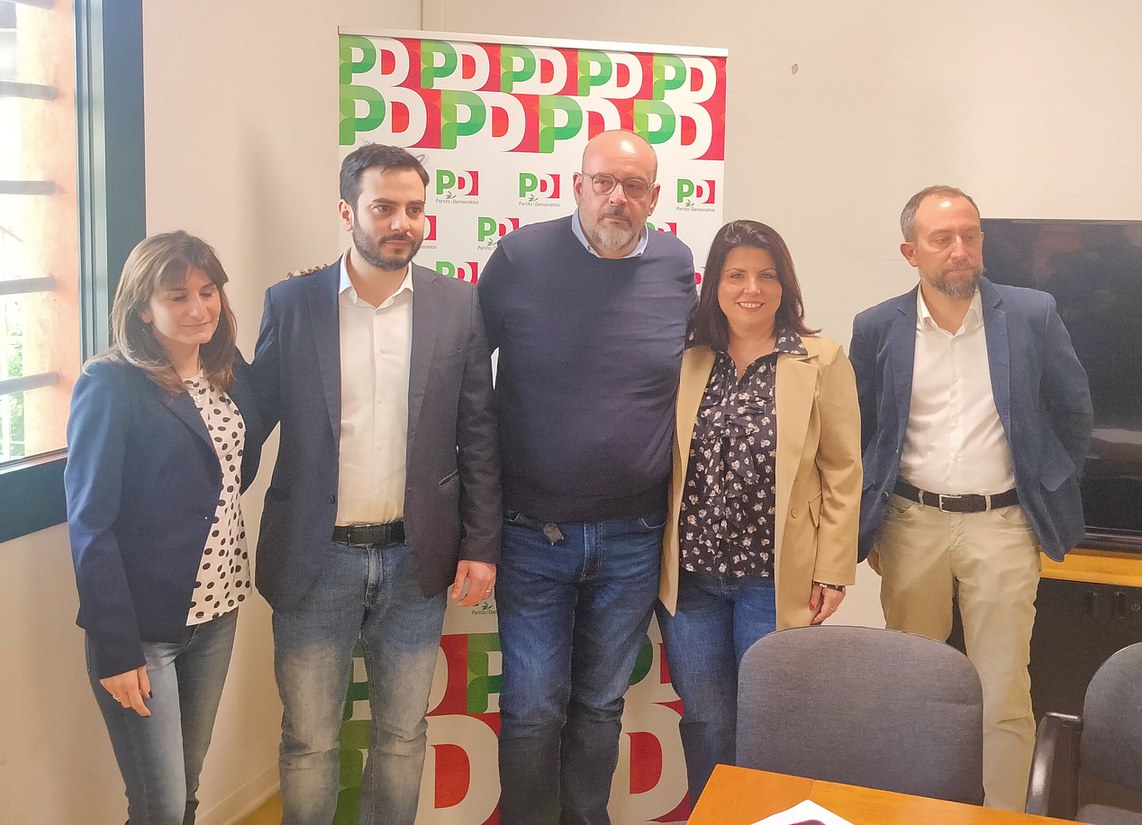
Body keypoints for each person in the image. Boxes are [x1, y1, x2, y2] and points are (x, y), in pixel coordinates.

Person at [251, 143, 500, 825]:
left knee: (402, 736)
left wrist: (481, 544)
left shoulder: (457, 305)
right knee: (309, 740)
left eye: (415, 209)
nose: (402, 223)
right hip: (315, 558)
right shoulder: (293, 303)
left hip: (416, 560)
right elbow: (249, 416)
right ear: (346, 212)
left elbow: (478, 432)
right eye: (384, 207)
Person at [478, 129, 697, 825]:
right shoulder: (520, 257)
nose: (616, 198)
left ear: (654, 197)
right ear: (577, 185)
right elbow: (460, 365)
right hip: (531, 533)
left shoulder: (676, 263)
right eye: (603, 182)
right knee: (533, 707)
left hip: (636, 534)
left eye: (633, 186)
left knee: (601, 704)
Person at [850, 185, 1093, 810]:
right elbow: (864, 430)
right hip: (911, 525)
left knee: (1003, 689)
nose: (960, 249)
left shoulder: (1032, 314)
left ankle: (1003, 816)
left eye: (970, 235)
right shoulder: (878, 326)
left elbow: (1073, 410)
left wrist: (1045, 490)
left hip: (1003, 525)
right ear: (911, 252)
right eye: (942, 239)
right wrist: (872, 521)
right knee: (915, 682)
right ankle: (915, 810)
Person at [656, 219, 862, 802]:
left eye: (767, 276)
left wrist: (832, 571)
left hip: (773, 581)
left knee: (771, 721)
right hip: (692, 580)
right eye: (737, 275)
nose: (752, 289)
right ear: (715, 286)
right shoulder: (688, 357)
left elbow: (843, 470)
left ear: (785, 285)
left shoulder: (821, 359)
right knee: (706, 718)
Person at [64, 231, 262, 824]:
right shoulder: (111, 383)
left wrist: (305, 294)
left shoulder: (227, 370)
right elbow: (91, 523)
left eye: (209, 291)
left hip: (219, 611)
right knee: (162, 807)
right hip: (145, 630)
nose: (199, 308)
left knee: (187, 789)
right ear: (143, 309)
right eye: (178, 296)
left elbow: (233, 463)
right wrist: (117, 649)